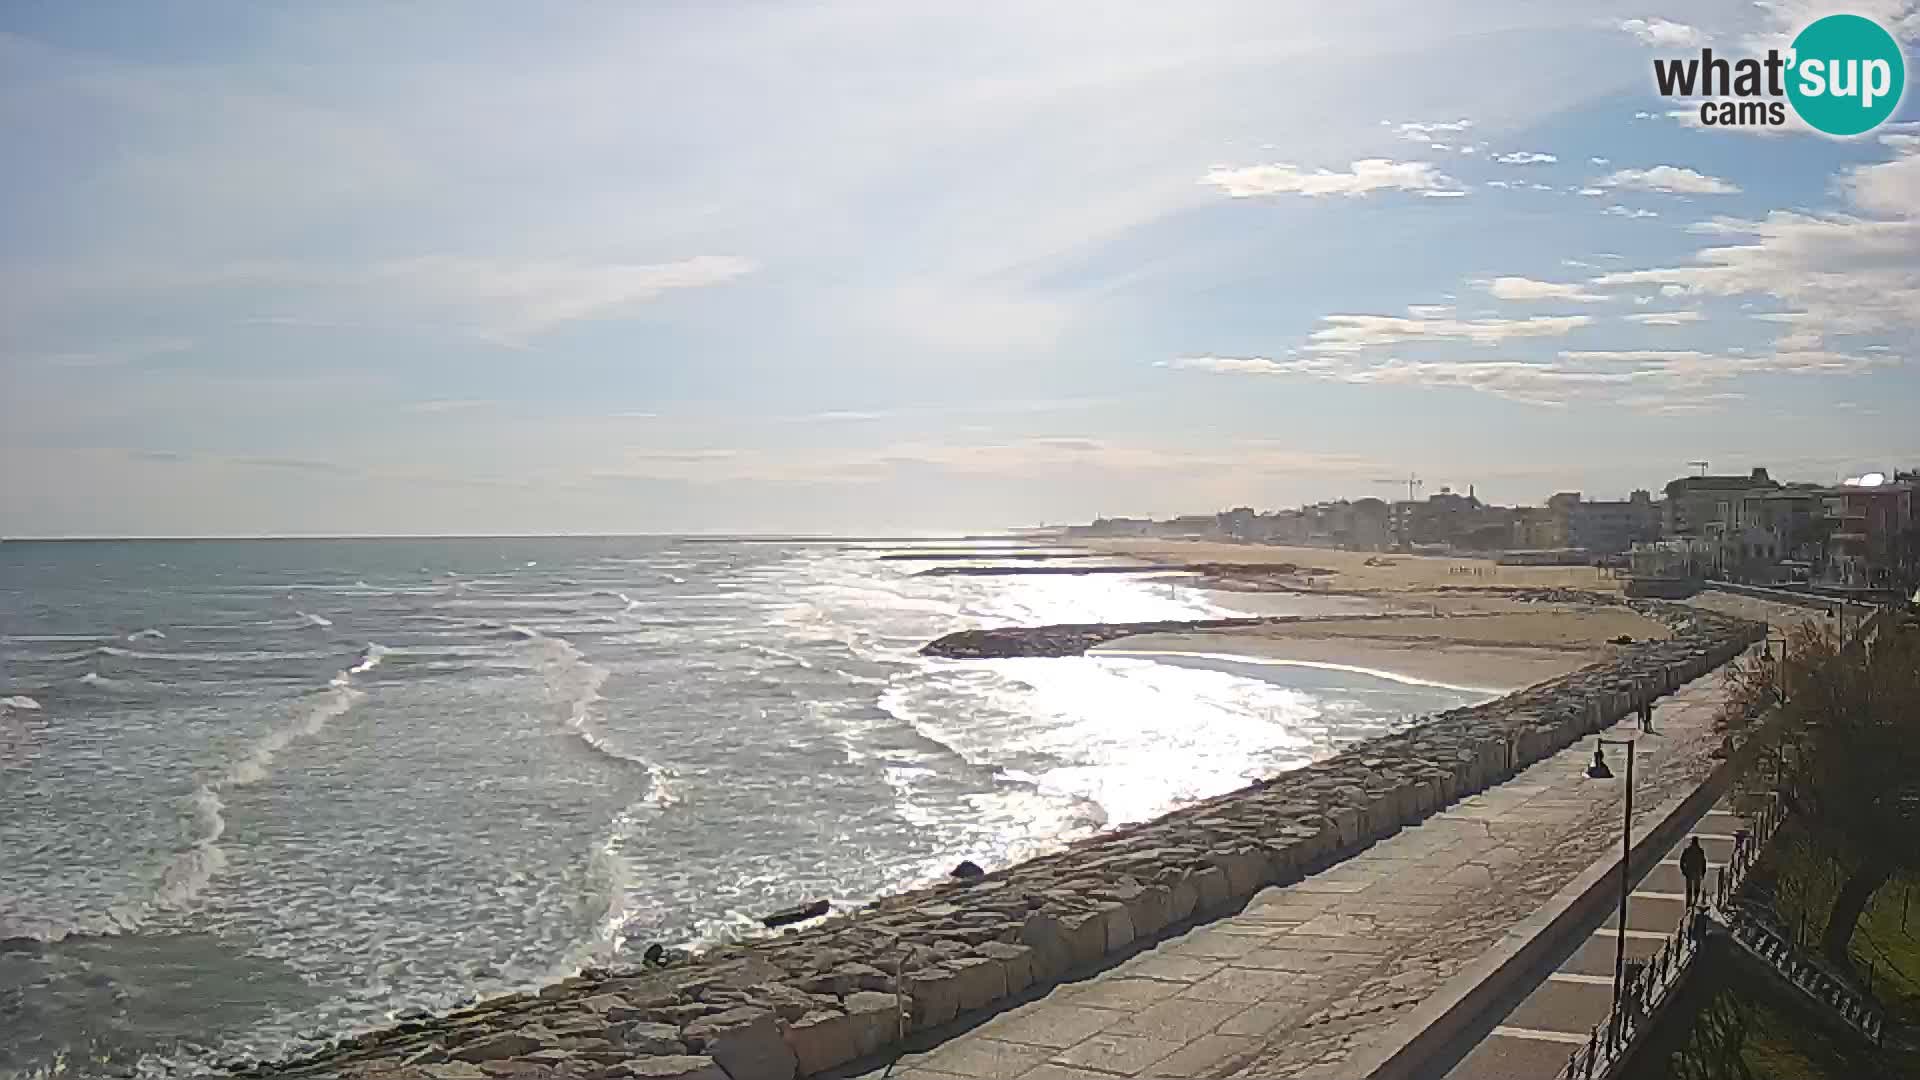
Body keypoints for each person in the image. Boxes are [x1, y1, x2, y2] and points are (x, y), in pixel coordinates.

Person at [1679, 837, 1709, 909]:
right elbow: (1704, 863)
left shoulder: (1687, 851)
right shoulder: (1700, 851)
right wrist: (1703, 872)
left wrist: (1683, 870)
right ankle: (1694, 903)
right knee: (1696, 889)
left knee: (1689, 889)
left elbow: (1681, 861)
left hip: (1689, 872)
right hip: (1697, 872)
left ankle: (1688, 905)